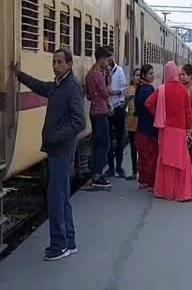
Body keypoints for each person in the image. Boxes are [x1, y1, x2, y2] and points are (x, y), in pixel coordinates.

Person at [13, 50, 86, 261]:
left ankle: (59, 245)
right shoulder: (58, 85)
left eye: (59, 62)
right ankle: (69, 242)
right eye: (53, 62)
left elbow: (79, 121)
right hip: (57, 150)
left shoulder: (70, 87)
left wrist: (55, 135)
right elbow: (40, 87)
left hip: (61, 151)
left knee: (56, 198)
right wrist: (20, 75)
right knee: (62, 198)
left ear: (69, 64)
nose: (55, 65)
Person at [145, 61, 192, 201]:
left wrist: (158, 114)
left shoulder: (161, 89)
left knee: (165, 160)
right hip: (180, 131)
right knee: (182, 161)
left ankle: (165, 191)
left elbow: (148, 103)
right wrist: (188, 130)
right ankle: (182, 193)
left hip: (166, 130)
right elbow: (188, 113)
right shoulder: (184, 90)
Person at [85, 47, 113, 188]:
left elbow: (89, 96)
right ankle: (97, 174)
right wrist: (109, 79)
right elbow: (106, 93)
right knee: (104, 143)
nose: (108, 64)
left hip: (93, 111)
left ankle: (95, 171)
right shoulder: (97, 74)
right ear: (101, 59)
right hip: (100, 112)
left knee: (97, 143)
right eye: (107, 60)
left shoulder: (90, 74)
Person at [135, 64, 158, 191]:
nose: (153, 75)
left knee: (143, 157)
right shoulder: (148, 89)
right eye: (150, 73)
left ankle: (143, 180)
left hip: (141, 128)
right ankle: (149, 183)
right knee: (150, 157)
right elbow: (151, 109)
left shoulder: (140, 88)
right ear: (144, 75)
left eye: (153, 73)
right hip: (148, 128)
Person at [106, 52, 128, 178]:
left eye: (110, 58)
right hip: (107, 109)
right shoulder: (103, 72)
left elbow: (123, 89)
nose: (108, 61)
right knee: (108, 140)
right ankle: (110, 167)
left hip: (118, 108)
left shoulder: (119, 71)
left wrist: (115, 92)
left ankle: (119, 167)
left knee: (119, 139)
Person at [125, 68, 141, 181]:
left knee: (141, 149)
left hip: (141, 122)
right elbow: (124, 104)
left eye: (140, 75)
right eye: (136, 75)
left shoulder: (144, 89)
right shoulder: (128, 90)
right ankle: (134, 172)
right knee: (133, 148)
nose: (138, 77)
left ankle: (142, 172)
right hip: (131, 122)